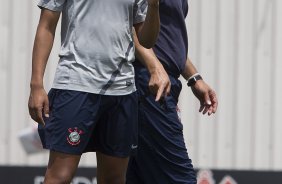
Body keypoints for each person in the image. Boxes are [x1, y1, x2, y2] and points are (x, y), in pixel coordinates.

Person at [28, 0, 163, 183]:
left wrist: (154, 6)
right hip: (75, 85)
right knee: (59, 177)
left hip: (122, 91)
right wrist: (36, 85)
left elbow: (146, 41)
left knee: (113, 179)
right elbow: (46, 26)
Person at [126, 0, 218, 183]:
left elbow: (168, 40)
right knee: (179, 177)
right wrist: (154, 67)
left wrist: (194, 78)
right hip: (148, 83)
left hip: (160, 80)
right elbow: (127, 25)